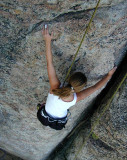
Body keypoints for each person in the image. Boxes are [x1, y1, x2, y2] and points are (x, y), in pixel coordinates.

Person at [37, 24, 117, 130]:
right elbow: (95, 88)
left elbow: (49, 63)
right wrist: (109, 75)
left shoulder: (55, 87)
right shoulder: (75, 98)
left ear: (70, 78)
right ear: (80, 88)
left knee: (50, 106)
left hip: (45, 115)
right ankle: (47, 108)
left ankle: (46, 107)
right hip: (53, 118)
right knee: (54, 109)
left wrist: (47, 41)